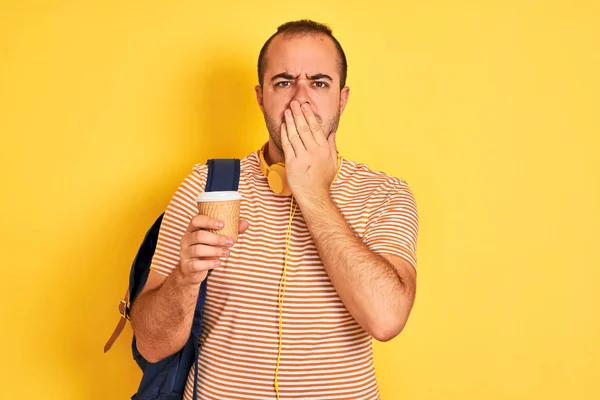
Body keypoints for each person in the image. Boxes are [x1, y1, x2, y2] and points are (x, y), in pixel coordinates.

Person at [130, 19, 419, 400]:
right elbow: (151, 345)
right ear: (261, 96)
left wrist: (313, 192)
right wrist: (184, 278)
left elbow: (386, 319)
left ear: (342, 98)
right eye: (284, 82)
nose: (300, 98)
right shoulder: (207, 185)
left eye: (319, 82)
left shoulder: (385, 194)